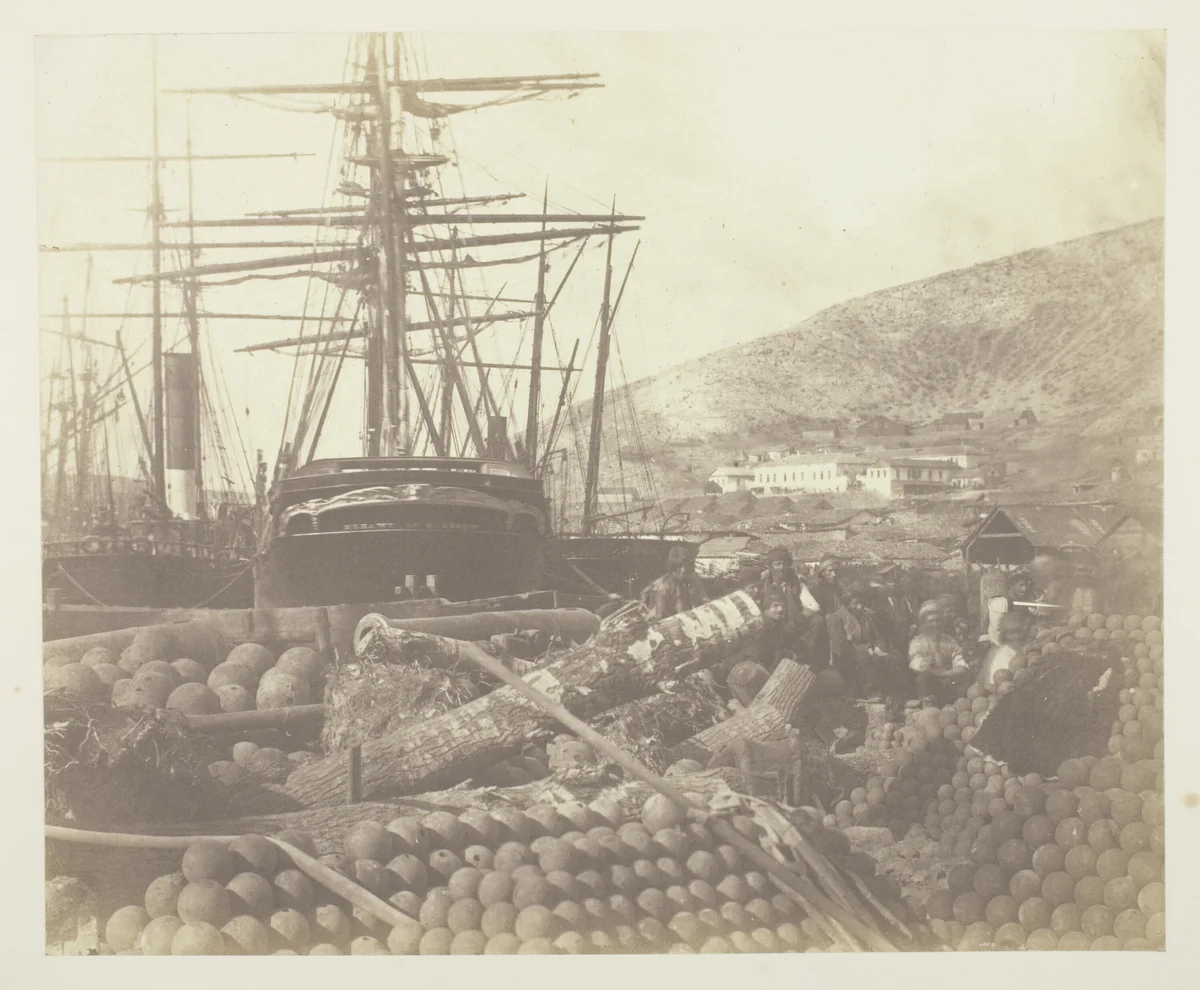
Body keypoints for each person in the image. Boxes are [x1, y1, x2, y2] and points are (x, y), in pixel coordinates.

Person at [758, 547, 820, 666]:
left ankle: (804, 658)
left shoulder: (796, 582)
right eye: (777, 564)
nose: (781, 567)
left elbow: (814, 606)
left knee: (817, 621)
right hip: (771, 625)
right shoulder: (763, 582)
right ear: (770, 566)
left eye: (784, 564)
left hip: (792, 624)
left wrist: (800, 616)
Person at [908, 599, 969, 705]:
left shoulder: (949, 641)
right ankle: (927, 705)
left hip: (948, 680)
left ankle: (957, 704)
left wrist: (948, 673)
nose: (935, 624)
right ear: (924, 623)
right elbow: (919, 666)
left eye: (938, 620)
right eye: (930, 621)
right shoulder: (917, 643)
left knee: (965, 675)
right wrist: (937, 672)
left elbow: (960, 663)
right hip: (930, 683)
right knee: (924, 678)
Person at [640, 544, 707, 620]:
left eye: (685, 565)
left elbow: (705, 602)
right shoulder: (662, 587)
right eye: (679, 566)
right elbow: (659, 618)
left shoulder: (693, 581)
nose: (683, 569)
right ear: (673, 566)